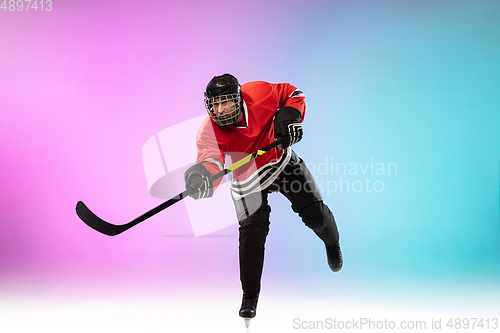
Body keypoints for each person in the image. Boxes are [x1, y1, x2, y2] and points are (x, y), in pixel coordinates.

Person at [184, 74, 342, 323]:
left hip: (281, 163)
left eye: (226, 102)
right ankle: (250, 296)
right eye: (215, 104)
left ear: (238, 98)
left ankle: (332, 243)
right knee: (251, 234)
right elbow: (210, 160)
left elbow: (293, 93)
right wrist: (201, 176)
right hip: (246, 178)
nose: (220, 109)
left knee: (316, 216)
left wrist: (288, 116)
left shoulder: (259, 93)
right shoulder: (208, 130)